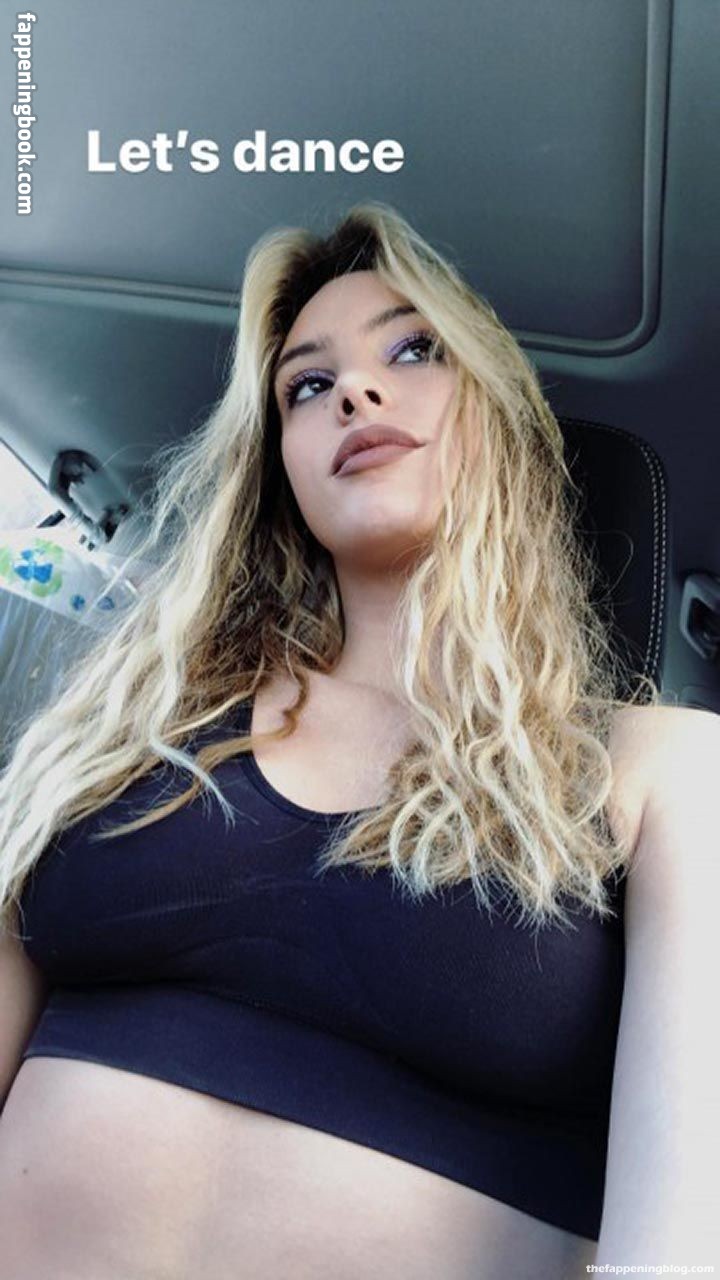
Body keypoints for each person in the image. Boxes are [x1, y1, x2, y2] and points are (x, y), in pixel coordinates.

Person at [0, 202, 716, 1279]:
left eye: (413, 350)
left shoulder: (659, 768)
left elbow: (678, 1244)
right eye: (307, 385)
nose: (356, 393)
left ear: (500, 416)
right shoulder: (129, 728)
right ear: (280, 466)